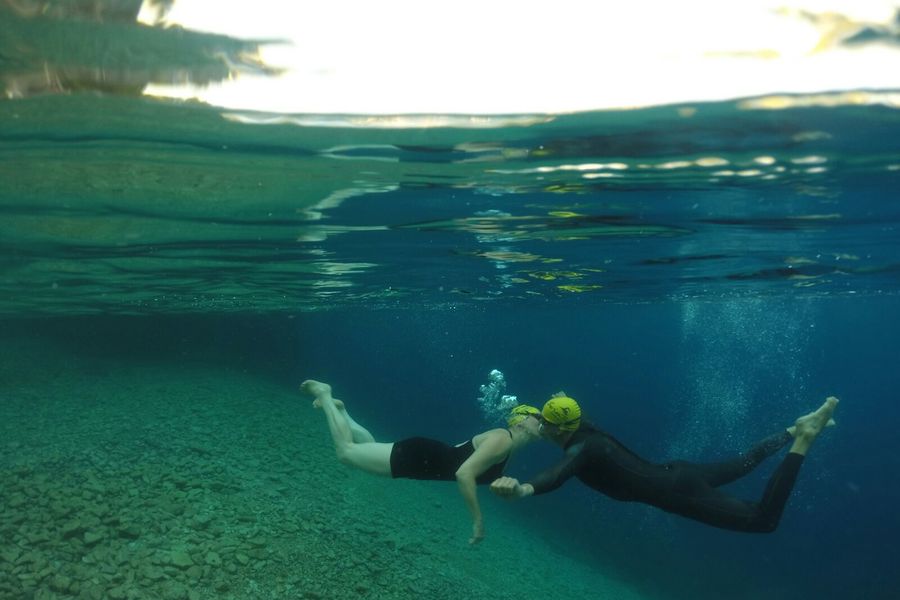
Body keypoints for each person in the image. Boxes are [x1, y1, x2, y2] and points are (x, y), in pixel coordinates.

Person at [490, 392, 839, 533]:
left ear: (554, 428)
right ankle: (793, 428)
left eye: (541, 425)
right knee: (745, 461)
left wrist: (523, 489)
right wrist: (557, 399)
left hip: (676, 491)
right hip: (678, 472)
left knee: (763, 521)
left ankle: (804, 438)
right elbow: (559, 418)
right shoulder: (584, 427)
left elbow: (558, 473)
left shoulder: (585, 449)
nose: (537, 429)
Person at [301, 379, 542, 544]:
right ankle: (325, 393)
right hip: (420, 458)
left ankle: (341, 412)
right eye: (538, 417)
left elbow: (461, 456)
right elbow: (463, 474)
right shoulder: (503, 439)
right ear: (520, 421)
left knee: (365, 448)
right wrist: (478, 521)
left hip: (424, 459)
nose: (543, 422)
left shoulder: (507, 448)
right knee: (346, 452)